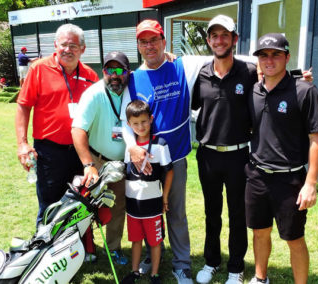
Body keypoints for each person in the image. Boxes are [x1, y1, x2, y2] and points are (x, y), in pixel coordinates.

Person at [121, 19, 209, 284]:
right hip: (145, 159)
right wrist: (132, 147)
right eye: (143, 42)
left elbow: (222, 57)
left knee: (175, 212)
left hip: (177, 155)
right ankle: (151, 254)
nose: (149, 46)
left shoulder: (183, 65)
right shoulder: (133, 79)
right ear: (138, 45)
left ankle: (181, 265)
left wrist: (268, 68)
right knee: (148, 209)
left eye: (154, 40)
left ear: (164, 42)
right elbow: (125, 122)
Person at [246, 33, 318, 284]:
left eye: (276, 54)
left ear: (287, 57)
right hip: (257, 174)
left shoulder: (304, 91)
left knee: (294, 238)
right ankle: (260, 278)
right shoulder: (254, 91)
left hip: (290, 179)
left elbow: (316, 139)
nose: (269, 60)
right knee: (259, 232)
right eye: (263, 55)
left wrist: (310, 183)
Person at [191, 15, 258, 284]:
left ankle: (235, 267)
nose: (219, 40)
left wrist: (301, 78)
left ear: (234, 39)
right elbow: (193, 103)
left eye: (225, 35)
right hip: (208, 154)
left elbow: (275, 83)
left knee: (237, 214)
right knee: (211, 212)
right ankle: (211, 262)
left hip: (239, 155)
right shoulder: (201, 74)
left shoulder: (250, 72)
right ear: (208, 41)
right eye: (214, 36)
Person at [15, 23, 99, 226]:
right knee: (50, 204)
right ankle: (45, 249)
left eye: (73, 45)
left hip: (82, 152)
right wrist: (23, 143)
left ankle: (80, 250)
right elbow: (23, 106)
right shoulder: (39, 69)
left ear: (82, 49)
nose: (67, 50)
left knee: (81, 201)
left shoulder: (90, 76)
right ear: (55, 45)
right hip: (49, 151)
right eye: (63, 45)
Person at [71, 51, 131, 265]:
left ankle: (114, 248)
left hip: (121, 164)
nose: (114, 75)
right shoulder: (94, 93)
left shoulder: (133, 90)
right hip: (96, 160)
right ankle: (86, 248)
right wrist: (89, 165)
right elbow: (78, 129)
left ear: (128, 72)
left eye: (119, 70)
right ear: (103, 71)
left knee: (117, 207)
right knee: (87, 206)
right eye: (109, 70)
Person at [121, 100, 173, 284]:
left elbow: (169, 171)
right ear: (129, 125)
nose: (140, 126)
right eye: (135, 123)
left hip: (153, 206)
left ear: (151, 120)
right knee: (135, 240)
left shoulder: (160, 144)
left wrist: (165, 196)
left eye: (144, 121)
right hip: (133, 206)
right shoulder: (129, 147)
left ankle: (155, 274)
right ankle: (135, 272)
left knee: (155, 242)